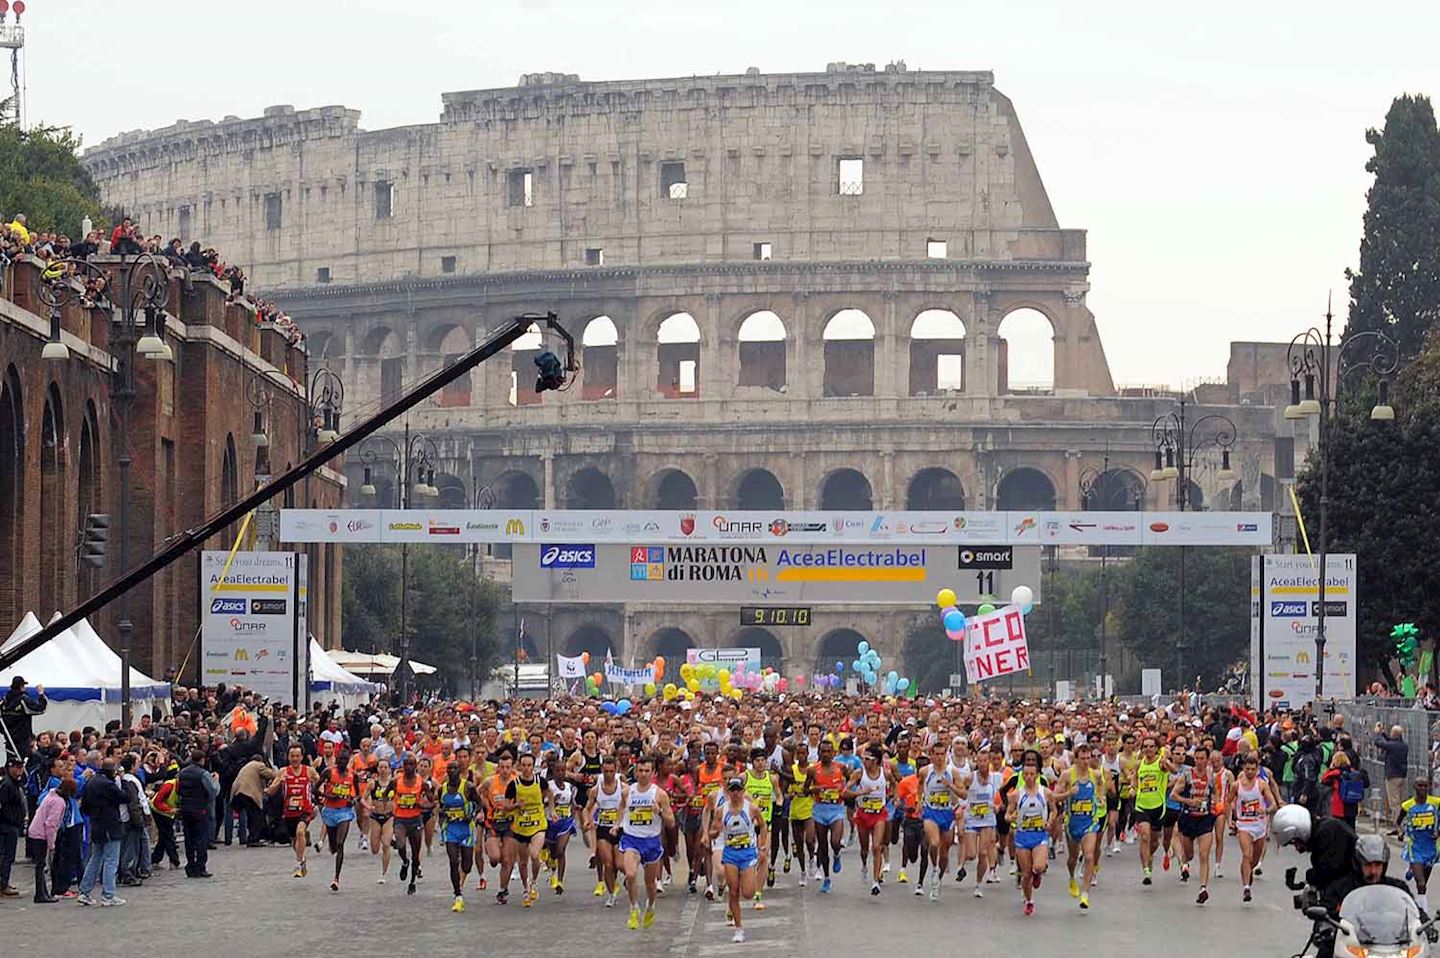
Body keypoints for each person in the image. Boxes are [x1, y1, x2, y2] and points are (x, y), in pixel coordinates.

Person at [714, 776, 768, 944]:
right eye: (733, 790)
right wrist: (713, 834)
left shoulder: (751, 808)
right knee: (734, 891)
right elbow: (714, 831)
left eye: (739, 790)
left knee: (748, 893)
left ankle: (748, 876)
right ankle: (738, 928)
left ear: (743, 791)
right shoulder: (721, 811)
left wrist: (762, 846)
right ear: (728, 792)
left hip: (748, 853)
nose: (736, 793)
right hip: (730, 853)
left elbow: (763, 825)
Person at [1227, 752, 1279, 903]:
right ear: (1243, 768)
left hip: (1259, 825)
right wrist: (1230, 820)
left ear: (1257, 770)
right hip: (1244, 825)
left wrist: (1266, 810)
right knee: (1246, 855)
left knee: (1254, 860)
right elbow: (1228, 802)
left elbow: (1274, 804)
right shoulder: (1237, 786)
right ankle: (1246, 888)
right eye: (1247, 769)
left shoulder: (1262, 785)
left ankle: (1248, 871)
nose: (1250, 772)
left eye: (1252, 769)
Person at [77, 759, 127, 906]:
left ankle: (84, 892)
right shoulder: (109, 784)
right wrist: (121, 782)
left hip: (96, 824)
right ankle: (108, 895)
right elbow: (125, 797)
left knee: (95, 858)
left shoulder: (91, 782)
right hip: (110, 825)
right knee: (111, 860)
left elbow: (84, 805)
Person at [266, 744, 318, 880]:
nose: (295, 759)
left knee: (300, 832)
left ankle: (298, 864)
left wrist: (320, 797)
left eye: (297, 756)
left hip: (306, 810)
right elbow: (270, 791)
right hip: (289, 812)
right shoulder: (283, 772)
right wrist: (278, 783)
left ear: (302, 757)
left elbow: (320, 783)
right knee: (295, 841)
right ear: (288, 757)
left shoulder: (309, 771)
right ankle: (302, 859)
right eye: (292, 756)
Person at [436, 758, 477, 912]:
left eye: (454, 769)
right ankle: (457, 895)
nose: (452, 771)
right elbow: (440, 808)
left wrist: (472, 815)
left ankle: (460, 882)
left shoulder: (468, 787)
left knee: (467, 865)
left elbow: (478, 804)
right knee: (453, 860)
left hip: (466, 829)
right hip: (451, 829)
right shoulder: (442, 789)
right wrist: (441, 820)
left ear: (459, 771)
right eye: (449, 769)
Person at [26, 775, 71, 903]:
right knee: (41, 865)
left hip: (35, 830)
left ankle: (43, 892)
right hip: (41, 834)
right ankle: (40, 894)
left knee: (40, 865)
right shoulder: (59, 802)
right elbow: (51, 825)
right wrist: (52, 845)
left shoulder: (51, 796)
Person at [319, 746, 359, 892]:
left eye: (345, 759)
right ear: (336, 759)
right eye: (340, 759)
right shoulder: (328, 772)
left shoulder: (352, 776)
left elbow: (358, 795)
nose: (342, 762)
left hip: (345, 812)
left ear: (348, 761)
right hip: (330, 811)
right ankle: (332, 845)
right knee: (334, 845)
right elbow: (315, 789)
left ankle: (336, 878)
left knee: (340, 842)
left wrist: (353, 800)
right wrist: (328, 796)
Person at [1399, 777, 1440, 913]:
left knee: (1424, 882)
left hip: (1430, 848)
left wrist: (1438, 832)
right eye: (1419, 786)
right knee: (1421, 885)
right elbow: (1398, 821)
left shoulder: (1436, 803)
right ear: (1414, 787)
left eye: (1425, 786)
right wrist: (1400, 833)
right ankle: (1422, 914)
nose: (1422, 789)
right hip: (1414, 848)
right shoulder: (1408, 805)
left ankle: (1411, 870)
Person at [177, 748, 218, 879]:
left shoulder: (182, 773)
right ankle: (200, 866)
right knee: (201, 838)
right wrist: (216, 781)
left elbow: (178, 789)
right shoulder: (203, 774)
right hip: (200, 808)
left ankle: (190, 865)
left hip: (186, 808)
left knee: (189, 839)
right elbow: (212, 791)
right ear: (202, 759)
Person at [0, 677, 46, 760]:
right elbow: (41, 709)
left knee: (12, 763)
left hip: (9, 739)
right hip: (22, 740)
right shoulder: (23, 699)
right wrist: (41, 694)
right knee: (23, 764)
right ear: (21, 686)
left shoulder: (4, 701)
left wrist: (5, 732)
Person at [1374, 724, 1409, 829]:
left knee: (1394, 803)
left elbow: (1379, 743)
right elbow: (1390, 742)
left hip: (1393, 777)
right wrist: (1383, 733)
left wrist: (1377, 734)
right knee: (1401, 801)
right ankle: (1400, 823)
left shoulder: (1392, 746)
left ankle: (1398, 825)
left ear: (1393, 734)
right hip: (1402, 776)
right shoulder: (1403, 745)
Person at [0, 754, 26, 896]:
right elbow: (3, 805)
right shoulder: (7, 784)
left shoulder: (15, 783)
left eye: (21, 767)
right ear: (10, 768)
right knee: (6, 856)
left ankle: (4, 883)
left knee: (8, 856)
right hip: (7, 825)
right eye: (17, 767)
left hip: (13, 824)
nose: (20, 770)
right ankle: (3, 885)